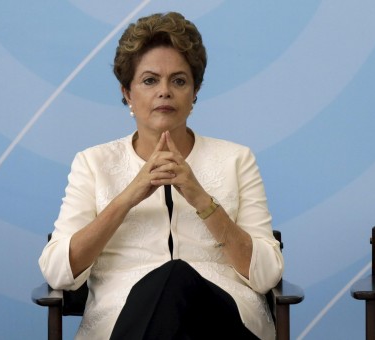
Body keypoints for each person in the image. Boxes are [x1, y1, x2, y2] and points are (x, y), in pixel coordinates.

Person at [38, 12, 283, 340]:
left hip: (222, 322)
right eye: (150, 80)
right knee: (165, 283)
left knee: (176, 278)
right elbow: (58, 271)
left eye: (179, 80)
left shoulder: (236, 159)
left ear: (194, 93)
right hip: (123, 322)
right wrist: (129, 195)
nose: (164, 92)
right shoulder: (93, 163)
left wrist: (200, 198)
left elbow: (267, 274)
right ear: (127, 93)